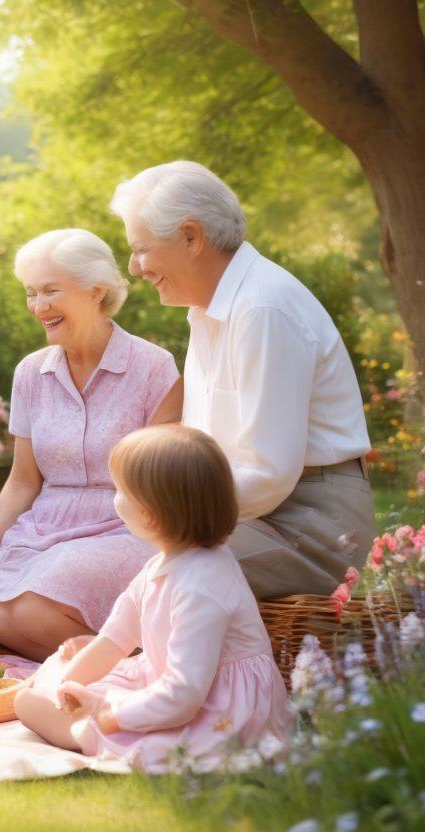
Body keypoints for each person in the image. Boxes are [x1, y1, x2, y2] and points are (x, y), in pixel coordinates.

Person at [0, 229, 181, 661]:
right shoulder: (31, 372)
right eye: (31, 293)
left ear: (95, 292)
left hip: (124, 524)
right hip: (43, 527)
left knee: (19, 616)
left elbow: (166, 481)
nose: (39, 307)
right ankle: (82, 658)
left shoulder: (152, 366)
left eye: (52, 291)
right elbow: (22, 481)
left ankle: (137, 666)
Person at [111, 160, 375, 598]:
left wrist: (167, 513)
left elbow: (268, 474)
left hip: (312, 522)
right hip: (252, 512)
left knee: (161, 578)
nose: (135, 268)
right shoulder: (208, 311)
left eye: (141, 249)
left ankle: (118, 666)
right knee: (113, 559)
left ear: (191, 237)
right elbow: (203, 447)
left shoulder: (262, 308)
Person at [15, 424, 290, 773]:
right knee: (46, 688)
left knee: (39, 706)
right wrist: (66, 686)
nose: (114, 498)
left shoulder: (202, 585)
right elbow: (113, 641)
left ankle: (83, 732)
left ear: (149, 514)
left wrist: (108, 714)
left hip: (220, 710)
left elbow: (184, 695)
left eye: (120, 490)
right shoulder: (162, 564)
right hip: (177, 684)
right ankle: (74, 713)